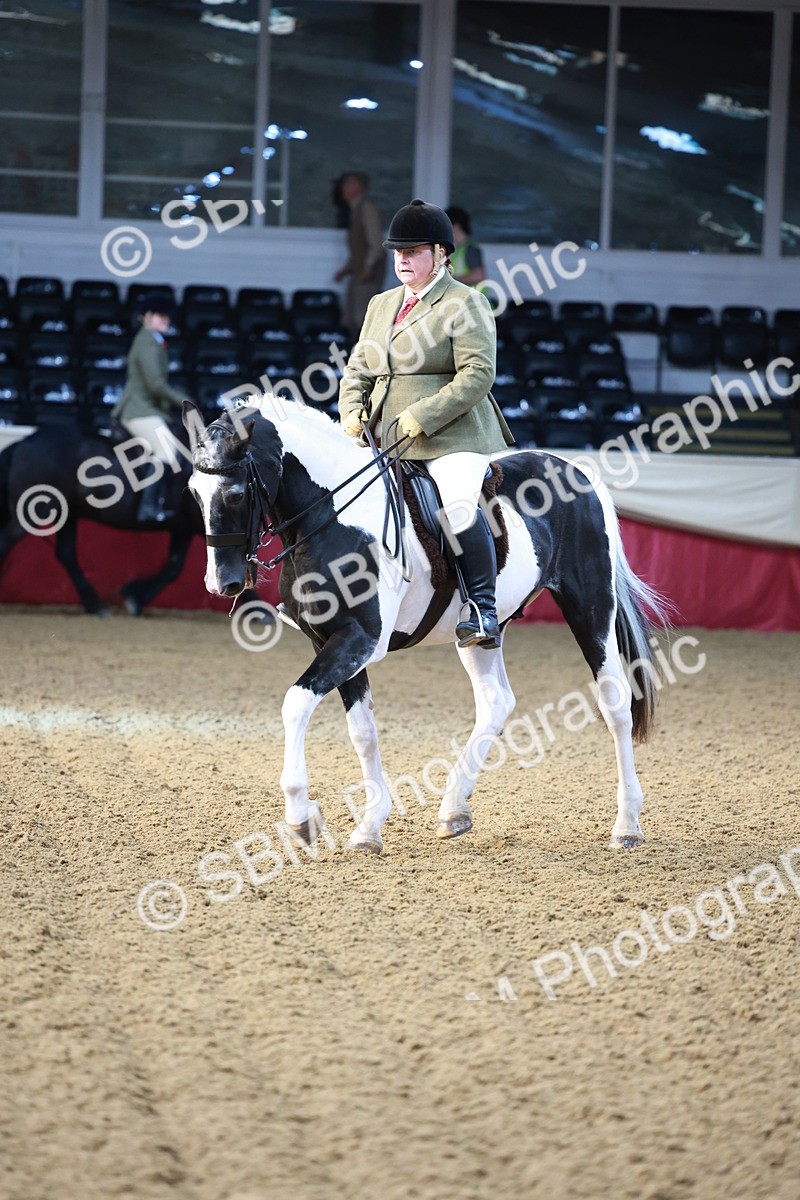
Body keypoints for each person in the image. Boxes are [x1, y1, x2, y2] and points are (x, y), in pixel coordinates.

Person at [338, 198, 514, 649]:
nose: (402, 259)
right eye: (398, 251)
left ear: (441, 254)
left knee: (457, 507)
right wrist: (351, 410)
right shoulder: (381, 304)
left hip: (451, 436)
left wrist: (423, 414)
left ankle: (482, 609)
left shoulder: (467, 302)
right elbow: (358, 368)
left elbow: (478, 374)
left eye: (414, 251)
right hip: (385, 435)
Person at [112, 291, 186, 522]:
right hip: (139, 409)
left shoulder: (154, 341)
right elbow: (156, 385)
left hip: (147, 407)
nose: (165, 320)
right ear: (146, 317)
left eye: (166, 316)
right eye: (159, 315)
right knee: (167, 451)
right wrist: (184, 401)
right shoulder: (147, 342)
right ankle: (148, 508)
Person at [332, 172, 386, 340]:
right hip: (359, 269)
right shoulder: (355, 210)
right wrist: (345, 271)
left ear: (359, 186)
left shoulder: (366, 207)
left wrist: (369, 266)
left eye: (348, 183)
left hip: (368, 271)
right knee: (349, 316)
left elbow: (375, 242)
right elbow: (357, 250)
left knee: (362, 317)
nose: (343, 187)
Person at [446, 205, 487, 289]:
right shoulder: (459, 249)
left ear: (456, 226)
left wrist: (451, 281)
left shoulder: (470, 249)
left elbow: (478, 275)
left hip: (474, 296)